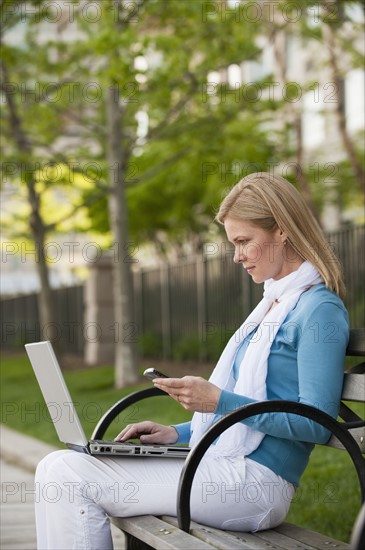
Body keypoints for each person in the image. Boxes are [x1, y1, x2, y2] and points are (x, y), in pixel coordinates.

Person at [35, 172, 349, 549]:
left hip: (257, 485)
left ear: (281, 230)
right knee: (54, 466)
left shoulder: (319, 309)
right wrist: (177, 433)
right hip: (221, 465)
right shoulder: (273, 305)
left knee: (69, 477)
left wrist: (218, 400)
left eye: (244, 241)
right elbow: (239, 418)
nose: (236, 256)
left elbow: (318, 422)